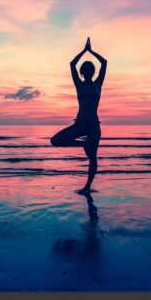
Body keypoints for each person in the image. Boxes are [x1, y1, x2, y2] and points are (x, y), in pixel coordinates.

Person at [50, 38, 107, 192]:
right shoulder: (79, 84)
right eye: (86, 69)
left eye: (90, 69)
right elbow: (72, 64)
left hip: (93, 126)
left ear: (92, 72)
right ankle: (83, 143)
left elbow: (104, 63)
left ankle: (87, 187)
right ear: (83, 72)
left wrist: (90, 51)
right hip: (80, 124)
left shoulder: (98, 84)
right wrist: (84, 51)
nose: (88, 71)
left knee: (92, 158)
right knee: (55, 140)